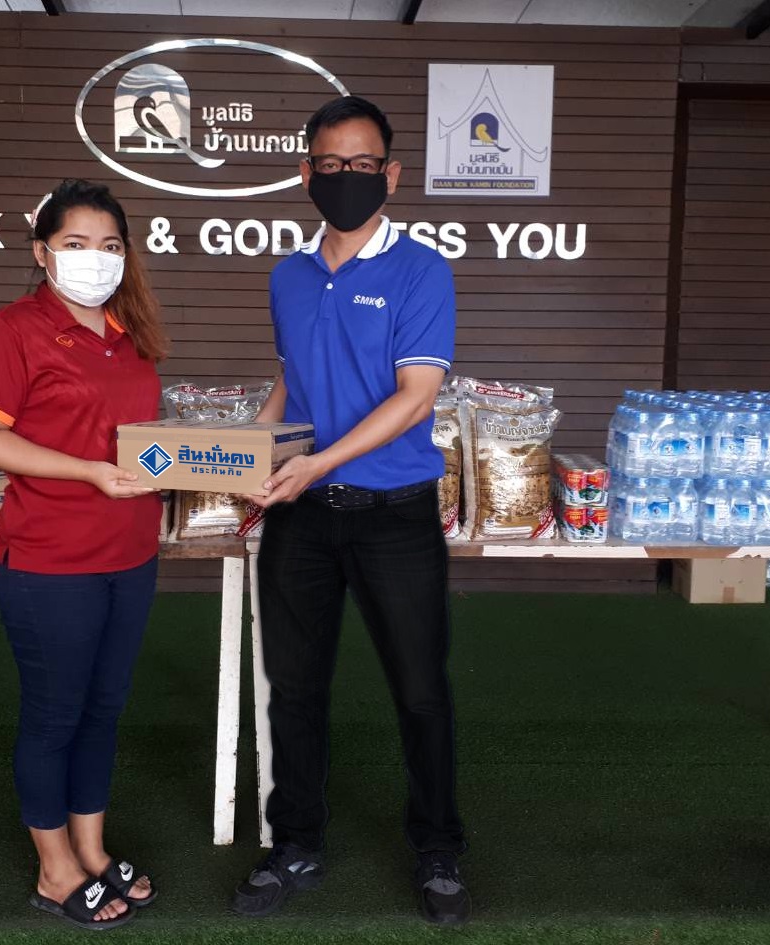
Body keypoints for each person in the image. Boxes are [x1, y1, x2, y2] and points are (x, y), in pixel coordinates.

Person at [230, 96, 469, 925]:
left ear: (390, 175)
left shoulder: (421, 271)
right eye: (329, 165)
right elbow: (291, 381)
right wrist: (249, 454)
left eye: (362, 165)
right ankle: (294, 841)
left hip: (394, 515)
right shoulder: (287, 276)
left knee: (420, 690)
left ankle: (437, 849)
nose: (345, 178)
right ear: (305, 172)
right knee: (293, 689)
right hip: (301, 518)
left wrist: (317, 462)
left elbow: (415, 396)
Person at [0, 179, 167, 931]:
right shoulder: (11, 330)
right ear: (42, 251)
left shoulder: (128, 332)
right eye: (76, 243)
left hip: (130, 553)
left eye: (109, 245)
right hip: (49, 559)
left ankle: (91, 849)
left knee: (103, 709)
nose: (94, 258)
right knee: (55, 714)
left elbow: (138, 439)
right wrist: (87, 472)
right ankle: (54, 871)